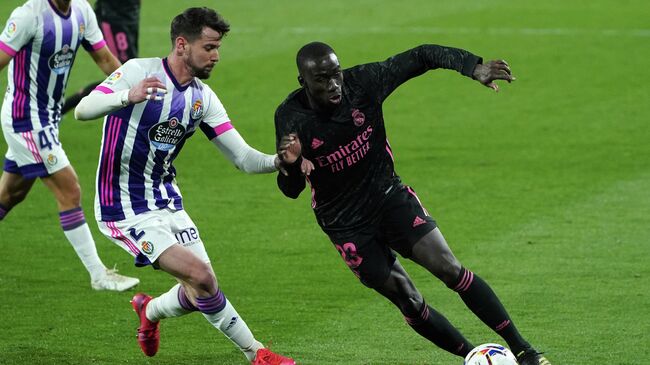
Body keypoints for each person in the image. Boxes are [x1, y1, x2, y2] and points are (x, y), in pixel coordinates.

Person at [274, 41, 552, 365]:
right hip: (346, 225)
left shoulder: (363, 83)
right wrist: (292, 165)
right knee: (408, 300)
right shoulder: (291, 117)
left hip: (389, 198)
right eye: (322, 79)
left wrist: (472, 67)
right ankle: (472, 357)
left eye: (335, 74)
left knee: (450, 268)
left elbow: (421, 56)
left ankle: (524, 351)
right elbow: (290, 188)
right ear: (303, 82)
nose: (333, 84)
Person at [74, 7, 296, 365]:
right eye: (209, 47)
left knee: (200, 292)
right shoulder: (138, 72)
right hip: (123, 207)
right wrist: (126, 96)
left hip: (167, 201)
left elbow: (241, 156)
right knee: (201, 277)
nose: (216, 56)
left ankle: (149, 310)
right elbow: (83, 109)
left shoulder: (201, 99)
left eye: (218, 47)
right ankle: (257, 354)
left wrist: (277, 161)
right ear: (182, 44)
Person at [0, 0, 139, 291]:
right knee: (70, 189)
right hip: (25, 119)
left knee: (10, 195)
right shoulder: (29, 16)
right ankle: (98, 274)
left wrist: (131, 89)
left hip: (48, 120)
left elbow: (104, 60)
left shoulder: (82, 11)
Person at [61, 0, 141, 115]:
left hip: (131, 14)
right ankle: (64, 108)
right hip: (113, 17)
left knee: (129, 76)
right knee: (123, 77)